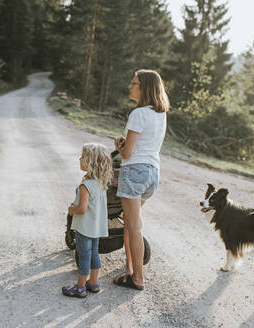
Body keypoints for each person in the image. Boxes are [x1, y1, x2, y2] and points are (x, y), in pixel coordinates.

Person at [113, 69, 169, 290]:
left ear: (144, 87)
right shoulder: (160, 114)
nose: (130, 86)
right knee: (129, 223)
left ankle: (138, 278)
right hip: (152, 174)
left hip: (134, 172)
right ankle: (129, 270)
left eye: (134, 83)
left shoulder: (138, 114)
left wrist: (119, 145)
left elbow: (127, 154)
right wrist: (126, 145)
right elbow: (145, 145)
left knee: (134, 226)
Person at [62, 143, 113, 298]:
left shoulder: (86, 185)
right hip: (96, 228)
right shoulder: (101, 183)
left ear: (91, 162)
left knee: (84, 256)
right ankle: (94, 283)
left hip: (85, 228)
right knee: (94, 253)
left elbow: (82, 209)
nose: (79, 158)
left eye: (83, 156)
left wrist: (71, 209)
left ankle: (80, 287)